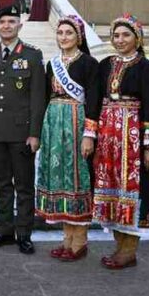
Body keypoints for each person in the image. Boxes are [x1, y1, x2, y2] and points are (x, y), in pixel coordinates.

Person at [92, 14, 149, 270]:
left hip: (133, 140)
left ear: (137, 38)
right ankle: (119, 246)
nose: (120, 40)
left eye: (126, 35)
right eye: (116, 35)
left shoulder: (148, 68)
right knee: (110, 190)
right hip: (107, 139)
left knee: (133, 191)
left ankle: (129, 250)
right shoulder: (105, 65)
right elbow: (95, 101)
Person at [0, 5, 46, 255]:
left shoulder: (32, 55)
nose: (6, 26)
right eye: (2, 22)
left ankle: (24, 233)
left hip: (21, 133)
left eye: (11, 21)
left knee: (24, 186)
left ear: (20, 25)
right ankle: (5, 229)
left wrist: (35, 133)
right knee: (1, 184)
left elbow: (38, 97)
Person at [35, 15, 100, 262]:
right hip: (54, 123)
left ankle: (79, 240)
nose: (63, 37)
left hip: (76, 122)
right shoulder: (52, 64)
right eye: (60, 32)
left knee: (76, 179)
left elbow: (93, 100)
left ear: (79, 37)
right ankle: (66, 238)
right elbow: (44, 96)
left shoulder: (89, 64)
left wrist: (89, 135)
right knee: (58, 179)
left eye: (69, 33)